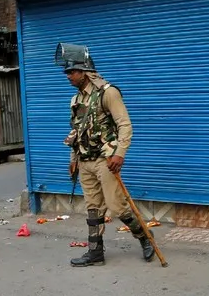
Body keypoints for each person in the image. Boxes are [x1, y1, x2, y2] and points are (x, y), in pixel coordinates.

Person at [62, 47, 154, 266]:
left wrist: (120, 154)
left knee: (117, 206)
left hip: (106, 159)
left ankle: (145, 238)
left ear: (84, 71)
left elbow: (124, 124)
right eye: (67, 71)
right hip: (85, 162)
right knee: (93, 208)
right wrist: (73, 159)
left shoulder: (108, 92)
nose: (68, 75)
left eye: (72, 71)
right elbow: (76, 132)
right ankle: (95, 253)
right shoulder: (75, 99)